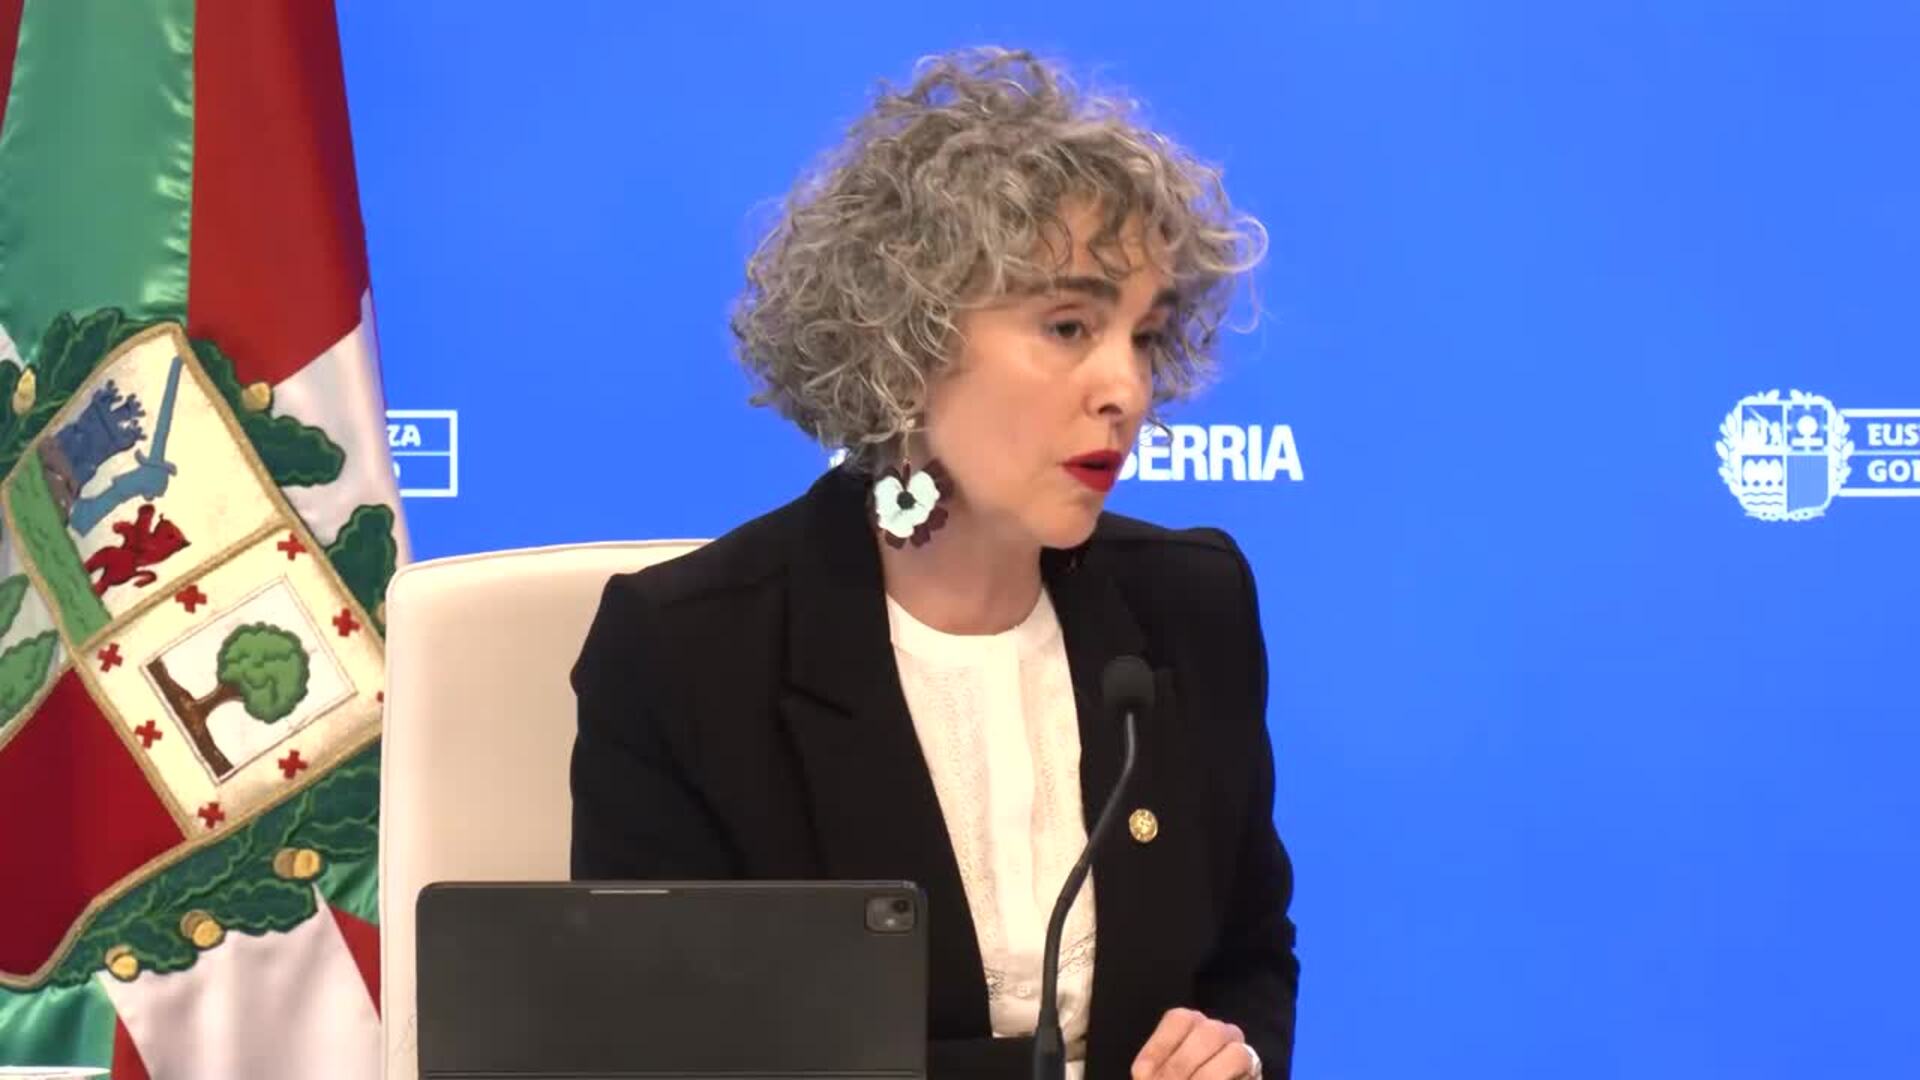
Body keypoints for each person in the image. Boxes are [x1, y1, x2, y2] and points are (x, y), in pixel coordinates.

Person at [570, 46, 1297, 1080]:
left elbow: (1248, 956)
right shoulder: (690, 654)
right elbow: (658, 1050)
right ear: (904, 341)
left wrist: (1234, 1053)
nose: (1126, 389)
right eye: (1069, 325)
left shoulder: (1192, 606)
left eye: (1145, 337)